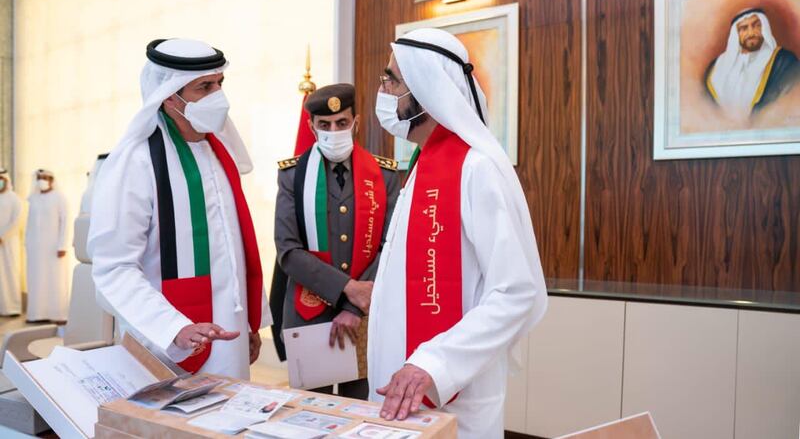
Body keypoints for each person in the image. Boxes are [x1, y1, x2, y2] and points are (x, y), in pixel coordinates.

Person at [368, 28, 547, 438]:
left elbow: (517, 291)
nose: (383, 90)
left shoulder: (476, 168)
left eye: (391, 80)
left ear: (427, 91)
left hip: (453, 396)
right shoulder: (422, 164)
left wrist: (434, 364)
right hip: (402, 390)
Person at [88, 38, 270, 379]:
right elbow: (113, 269)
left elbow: (235, 251)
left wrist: (250, 322)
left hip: (229, 336)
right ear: (170, 95)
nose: (219, 96)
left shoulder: (221, 153)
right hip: (165, 343)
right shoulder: (137, 163)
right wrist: (173, 328)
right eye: (205, 87)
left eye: (220, 84)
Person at [273, 83, 400, 399]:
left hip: (365, 315)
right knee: (309, 415)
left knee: (359, 411)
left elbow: (392, 246)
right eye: (324, 125)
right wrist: (348, 289)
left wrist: (356, 306)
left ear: (356, 122)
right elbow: (288, 251)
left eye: (342, 123)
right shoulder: (293, 176)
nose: (334, 131)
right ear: (311, 127)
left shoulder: (385, 175)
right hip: (308, 312)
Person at [704, 8, 800, 121]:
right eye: (744, 28)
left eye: (756, 25)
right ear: (736, 34)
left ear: (764, 28)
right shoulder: (716, 68)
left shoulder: (784, 61)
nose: (751, 33)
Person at [25, 169, 69, 322]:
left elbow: (65, 222)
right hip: (35, 247)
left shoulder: (59, 197)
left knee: (55, 279)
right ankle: (37, 314)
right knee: (36, 279)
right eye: (39, 177)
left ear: (51, 180)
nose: (41, 180)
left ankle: (58, 315)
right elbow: (29, 223)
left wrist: (62, 245)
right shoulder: (33, 198)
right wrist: (27, 243)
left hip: (54, 247)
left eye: (45, 178)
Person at [0, 168, 22, 316]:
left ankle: (12, 308)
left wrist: (3, 236)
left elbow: (17, 221)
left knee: (10, 273)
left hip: (8, 243)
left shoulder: (14, 198)